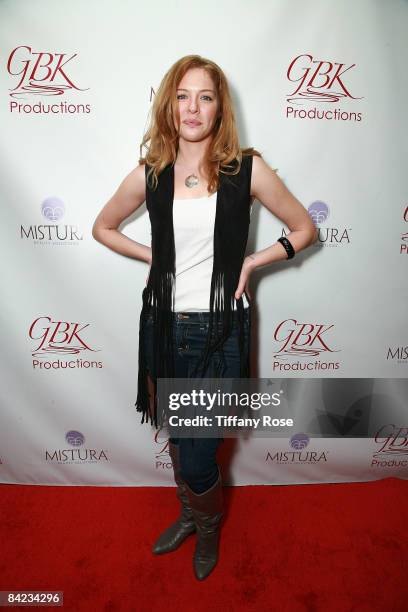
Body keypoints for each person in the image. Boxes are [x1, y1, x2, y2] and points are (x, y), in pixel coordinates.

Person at [92, 54, 317, 581]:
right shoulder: (151, 173)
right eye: (183, 95)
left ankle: (207, 528)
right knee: (177, 434)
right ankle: (192, 514)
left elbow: (304, 228)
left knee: (199, 452)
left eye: (206, 96)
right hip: (166, 326)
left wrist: (255, 260)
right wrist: (155, 256)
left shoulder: (246, 169)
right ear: (169, 105)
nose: (193, 107)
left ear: (220, 109)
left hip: (221, 331)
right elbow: (103, 226)